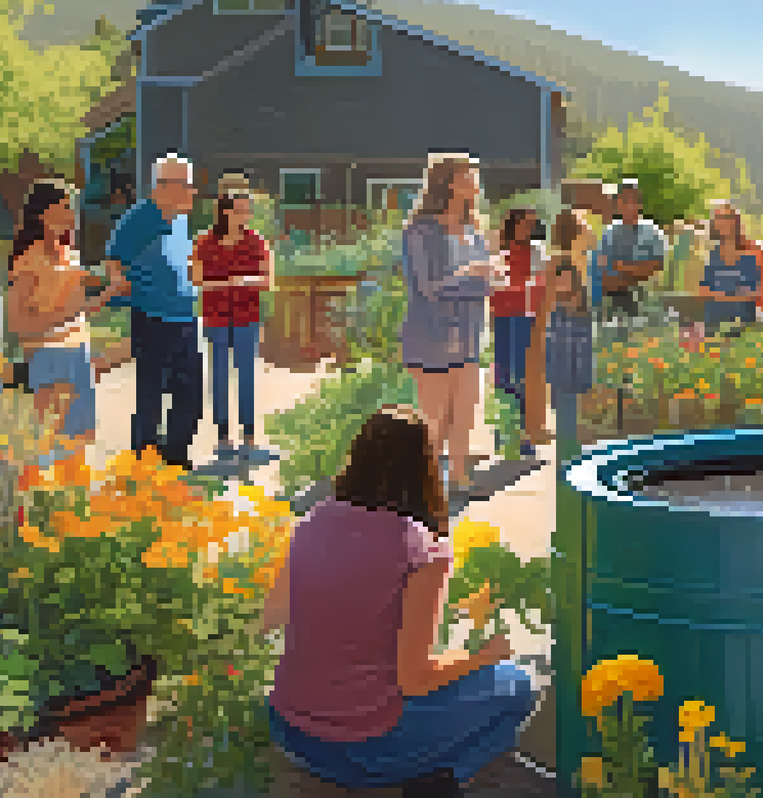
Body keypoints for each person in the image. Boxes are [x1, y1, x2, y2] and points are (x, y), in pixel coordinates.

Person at [262, 406, 535, 798]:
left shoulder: (312, 520)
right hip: (365, 749)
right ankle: (448, 780)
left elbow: (273, 615)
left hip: (290, 732)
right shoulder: (422, 548)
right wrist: (484, 657)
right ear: (425, 468)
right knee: (516, 686)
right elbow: (415, 678)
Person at [399, 155, 502, 491]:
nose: (475, 182)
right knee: (434, 420)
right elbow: (428, 287)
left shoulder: (474, 231)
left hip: (470, 334)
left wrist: (492, 278)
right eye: (468, 176)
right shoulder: (422, 230)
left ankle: (459, 480)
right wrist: (472, 274)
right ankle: (426, 487)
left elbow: (484, 284)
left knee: (464, 413)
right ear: (450, 183)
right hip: (432, 334)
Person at [7, 179, 128, 447]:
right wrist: (68, 315)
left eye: (71, 207)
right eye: (64, 207)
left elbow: (81, 310)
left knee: (81, 442)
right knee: (50, 445)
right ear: (42, 213)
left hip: (77, 352)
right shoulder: (29, 258)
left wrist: (111, 290)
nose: (72, 214)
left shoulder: (69, 254)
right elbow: (17, 322)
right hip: (47, 355)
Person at [102, 152, 203, 470]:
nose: (193, 192)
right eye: (186, 185)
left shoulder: (181, 220)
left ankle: (175, 456)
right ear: (162, 186)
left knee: (191, 393)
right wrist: (123, 284)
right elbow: (114, 260)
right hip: (152, 316)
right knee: (152, 393)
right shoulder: (141, 217)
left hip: (184, 316)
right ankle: (144, 463)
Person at [191, 171, 273, 462]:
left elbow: (266, 280)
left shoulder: (256, 241)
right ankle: (223, 437)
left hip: (246, 317)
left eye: (247, 211)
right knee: (219, 376)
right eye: (239, 210)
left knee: (246, 376)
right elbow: (197, 280)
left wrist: (242, 281)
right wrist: (232, 281)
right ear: (224, 212)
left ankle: (249, 438)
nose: (245, 215)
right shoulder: (204, 242)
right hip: (215, 317)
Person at [490, 207, 545, 459]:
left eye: (532, 224)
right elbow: (493, 282)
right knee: (502, 377)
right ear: (514, 225)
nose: (530, 229)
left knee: (521, 376)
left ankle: (523, 437)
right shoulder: (499, 251)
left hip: (525, 317)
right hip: (501, 316)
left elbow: (540, 282)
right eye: (525, 224)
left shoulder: (536, 251)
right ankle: (503, 435)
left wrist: (517, 286)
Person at [543, 210, 595, 445]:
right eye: (583, 225)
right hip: (567, 329)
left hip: (574, 329)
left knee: (573, 392)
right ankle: (567, 452)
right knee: (567, 392)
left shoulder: (577, 258)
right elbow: (564, 298)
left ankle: (571, 448)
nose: (588, 229)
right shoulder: (564, 260)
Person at [589, 179, 667, 323]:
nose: (629, 205)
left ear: (640, 204)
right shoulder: (608, 233)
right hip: (614, 304)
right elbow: (604, 276)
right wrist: (635, 270)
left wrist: (622, 267)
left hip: (648, 304)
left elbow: (655, 269)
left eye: (633, 200)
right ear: (617, 204)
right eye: (624, 201)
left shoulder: (653, 232)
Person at [698, 202, 763, 332]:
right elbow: (703, 291)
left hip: (742, 327)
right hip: (713, 326)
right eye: (718, 218)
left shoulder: (751, 255)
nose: (723, 222)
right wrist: (734, 294)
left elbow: (755, 293)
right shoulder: (709, 256)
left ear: (736, 222)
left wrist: (721, 295)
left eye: (727, 218)